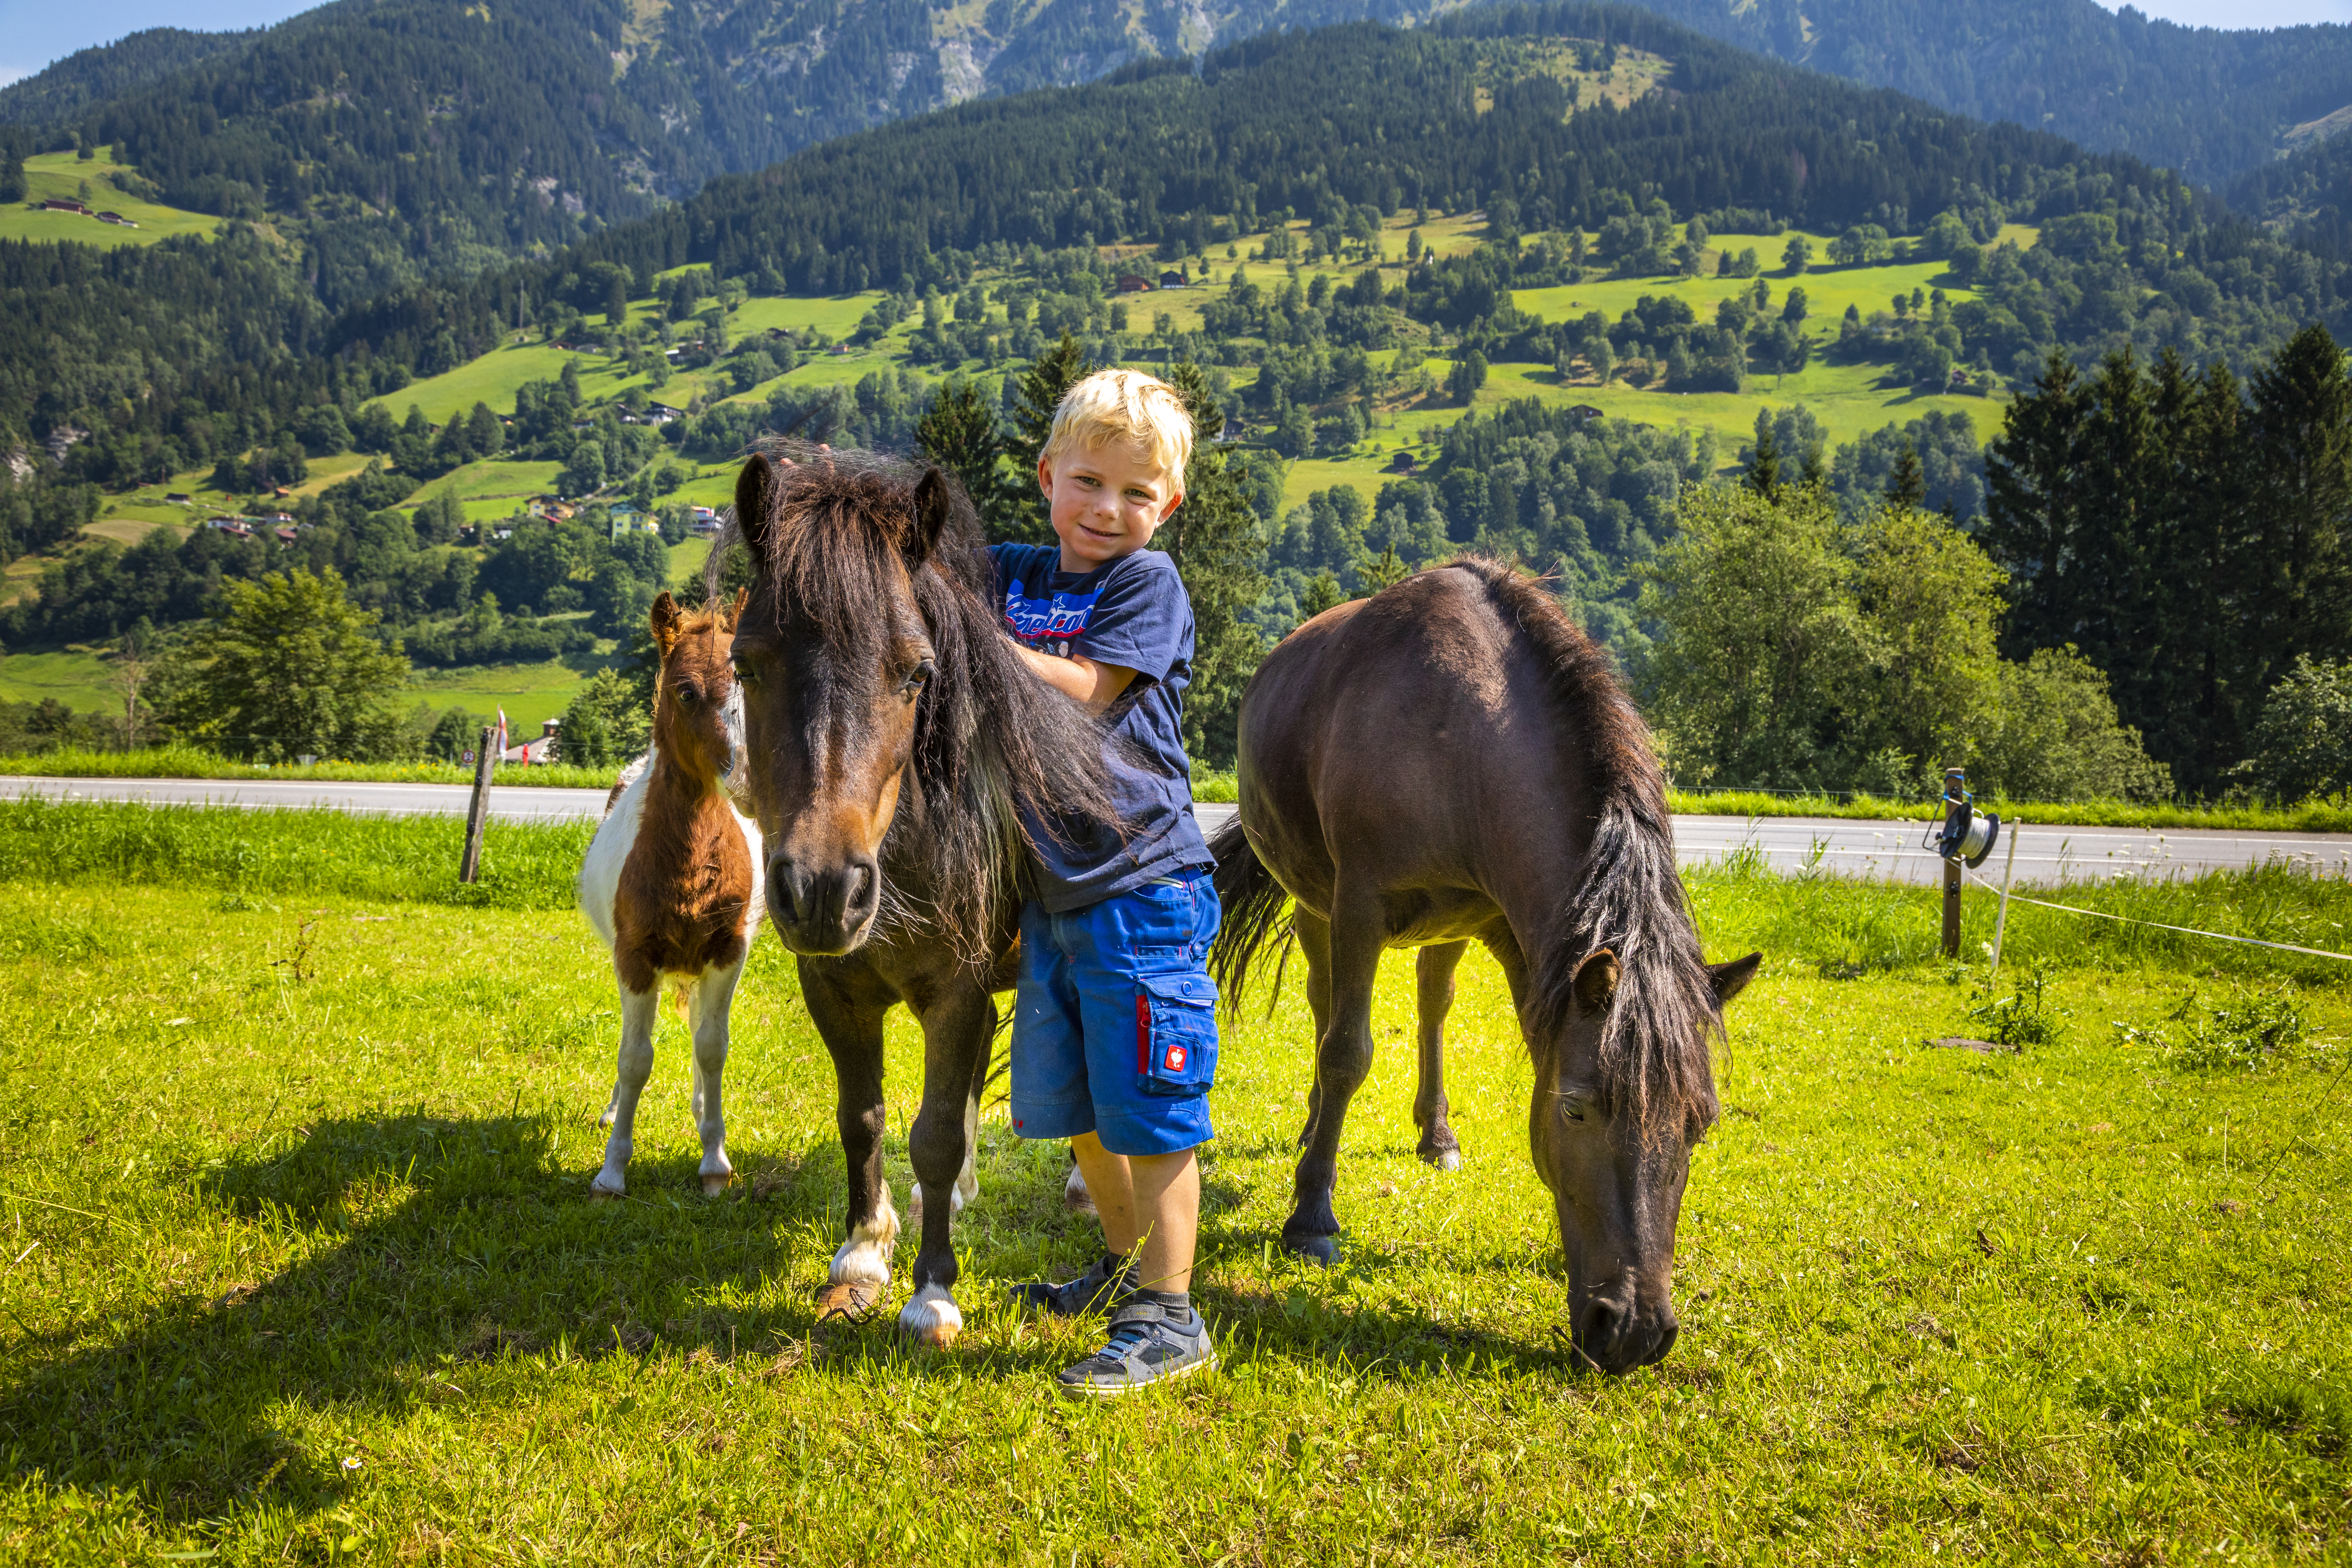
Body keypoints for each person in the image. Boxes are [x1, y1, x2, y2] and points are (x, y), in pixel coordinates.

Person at [992, 368, 1221, 1396]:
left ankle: (1171, 1316)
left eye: (1137, 495)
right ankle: (1127, 1272)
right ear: (1047, 477)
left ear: (1166, 507)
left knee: (1154, 1111)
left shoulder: (1145, 586)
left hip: (1142, 889)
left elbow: (1087, 692)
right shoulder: (1012, 575)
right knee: (1077, 1107)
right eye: (1088, 482)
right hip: (1056, 895)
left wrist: (977, 650)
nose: (1108, 510)